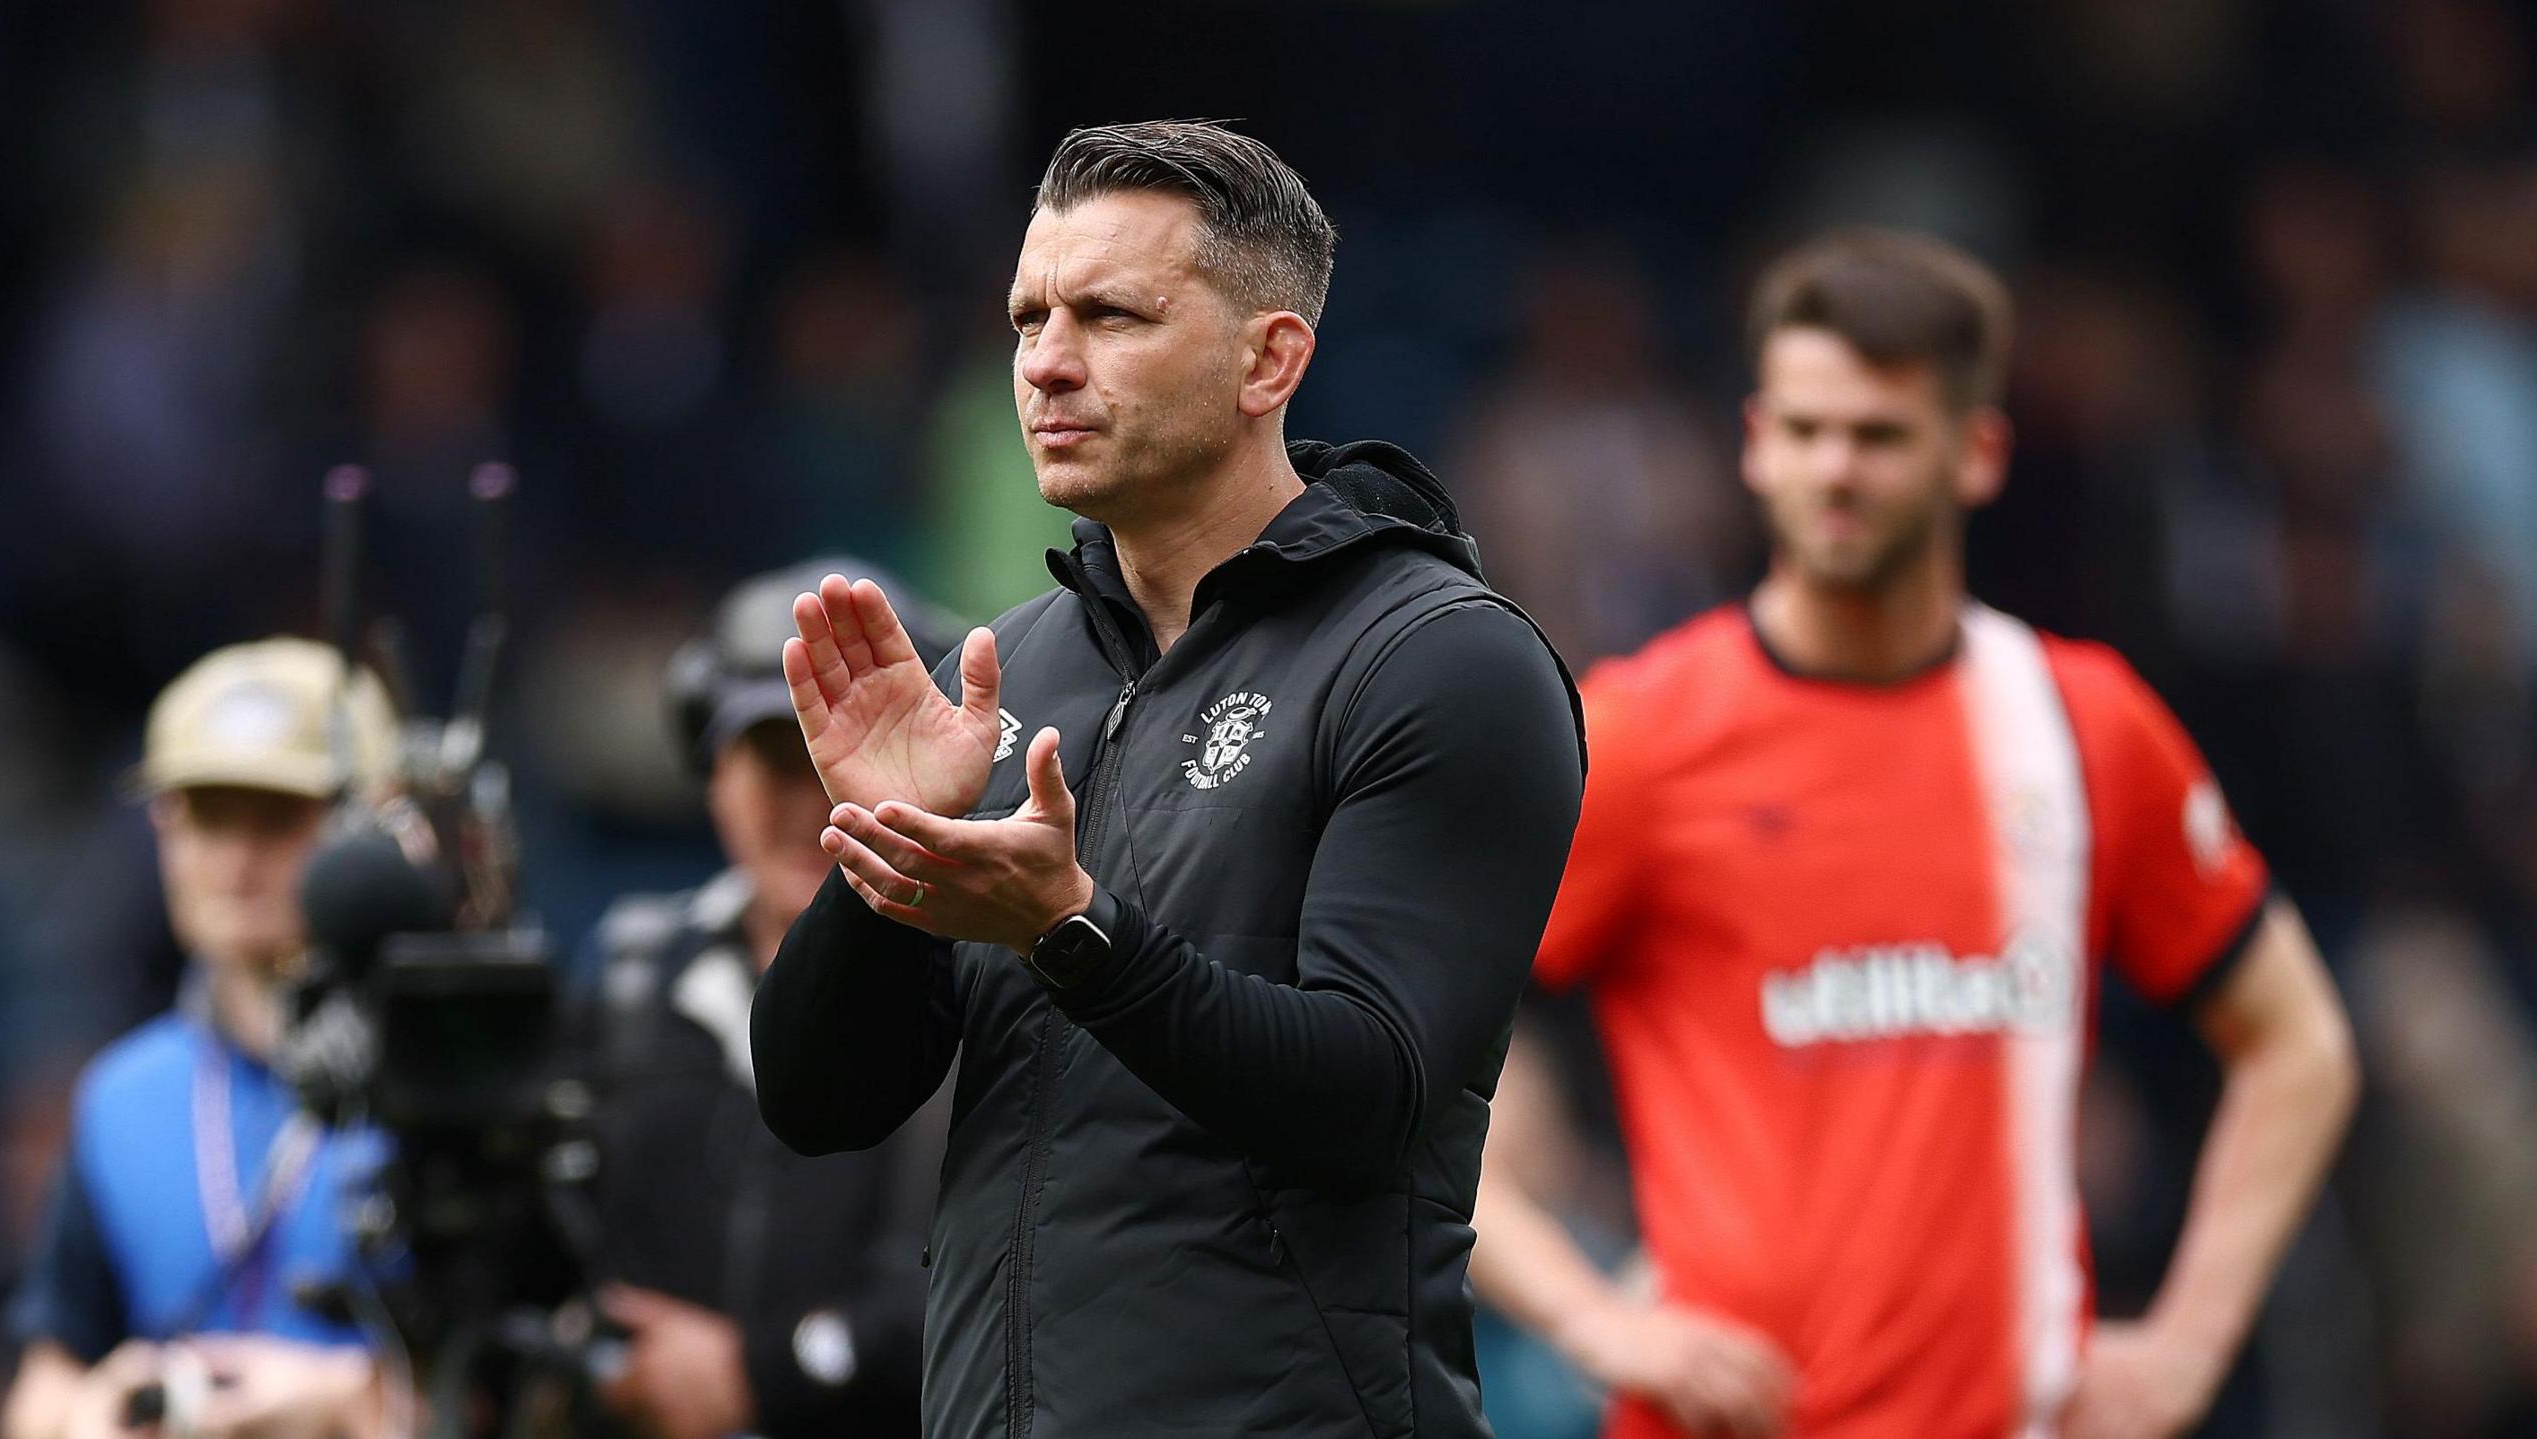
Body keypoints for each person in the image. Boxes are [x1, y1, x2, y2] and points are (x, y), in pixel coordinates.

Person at [749, 119, 1586, 1438]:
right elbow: (816, 1100)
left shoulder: (1438, 657)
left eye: (1110, 315)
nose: (1046, 365)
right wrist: (884, 844)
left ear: (1270, 359)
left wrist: (1071, 933)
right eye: (1028, 319)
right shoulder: (1006, 667)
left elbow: (1373, 1095)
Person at [1468, 229, 2361, 1439]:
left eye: (1878, 434)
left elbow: (2297, 1040)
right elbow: (1393, 1059)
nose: (1834, 469)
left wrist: (2186, 1344)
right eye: (1803, 428)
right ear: (1753, 442)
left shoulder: (2080, 723)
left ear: (1976, 452)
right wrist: (1585, 1313)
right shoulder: (1640, 736)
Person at [584, 558, 958, 1439]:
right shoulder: (635, 977)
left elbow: (1000, 1295)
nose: (815, 799)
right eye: (777, 757)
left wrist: (760, 1374)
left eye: (846, 755)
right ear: (709, 768)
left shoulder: (980, 981)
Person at [3, 639, 402, 1439]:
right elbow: (45, 1380)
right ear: (163, 823)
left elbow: (575, 1385)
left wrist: (357, 1401)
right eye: (207, 815)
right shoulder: (126, 1094)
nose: (234, 859)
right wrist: (88, 1414)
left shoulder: (460, 1073)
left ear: (377, 822)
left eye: (281, 819)